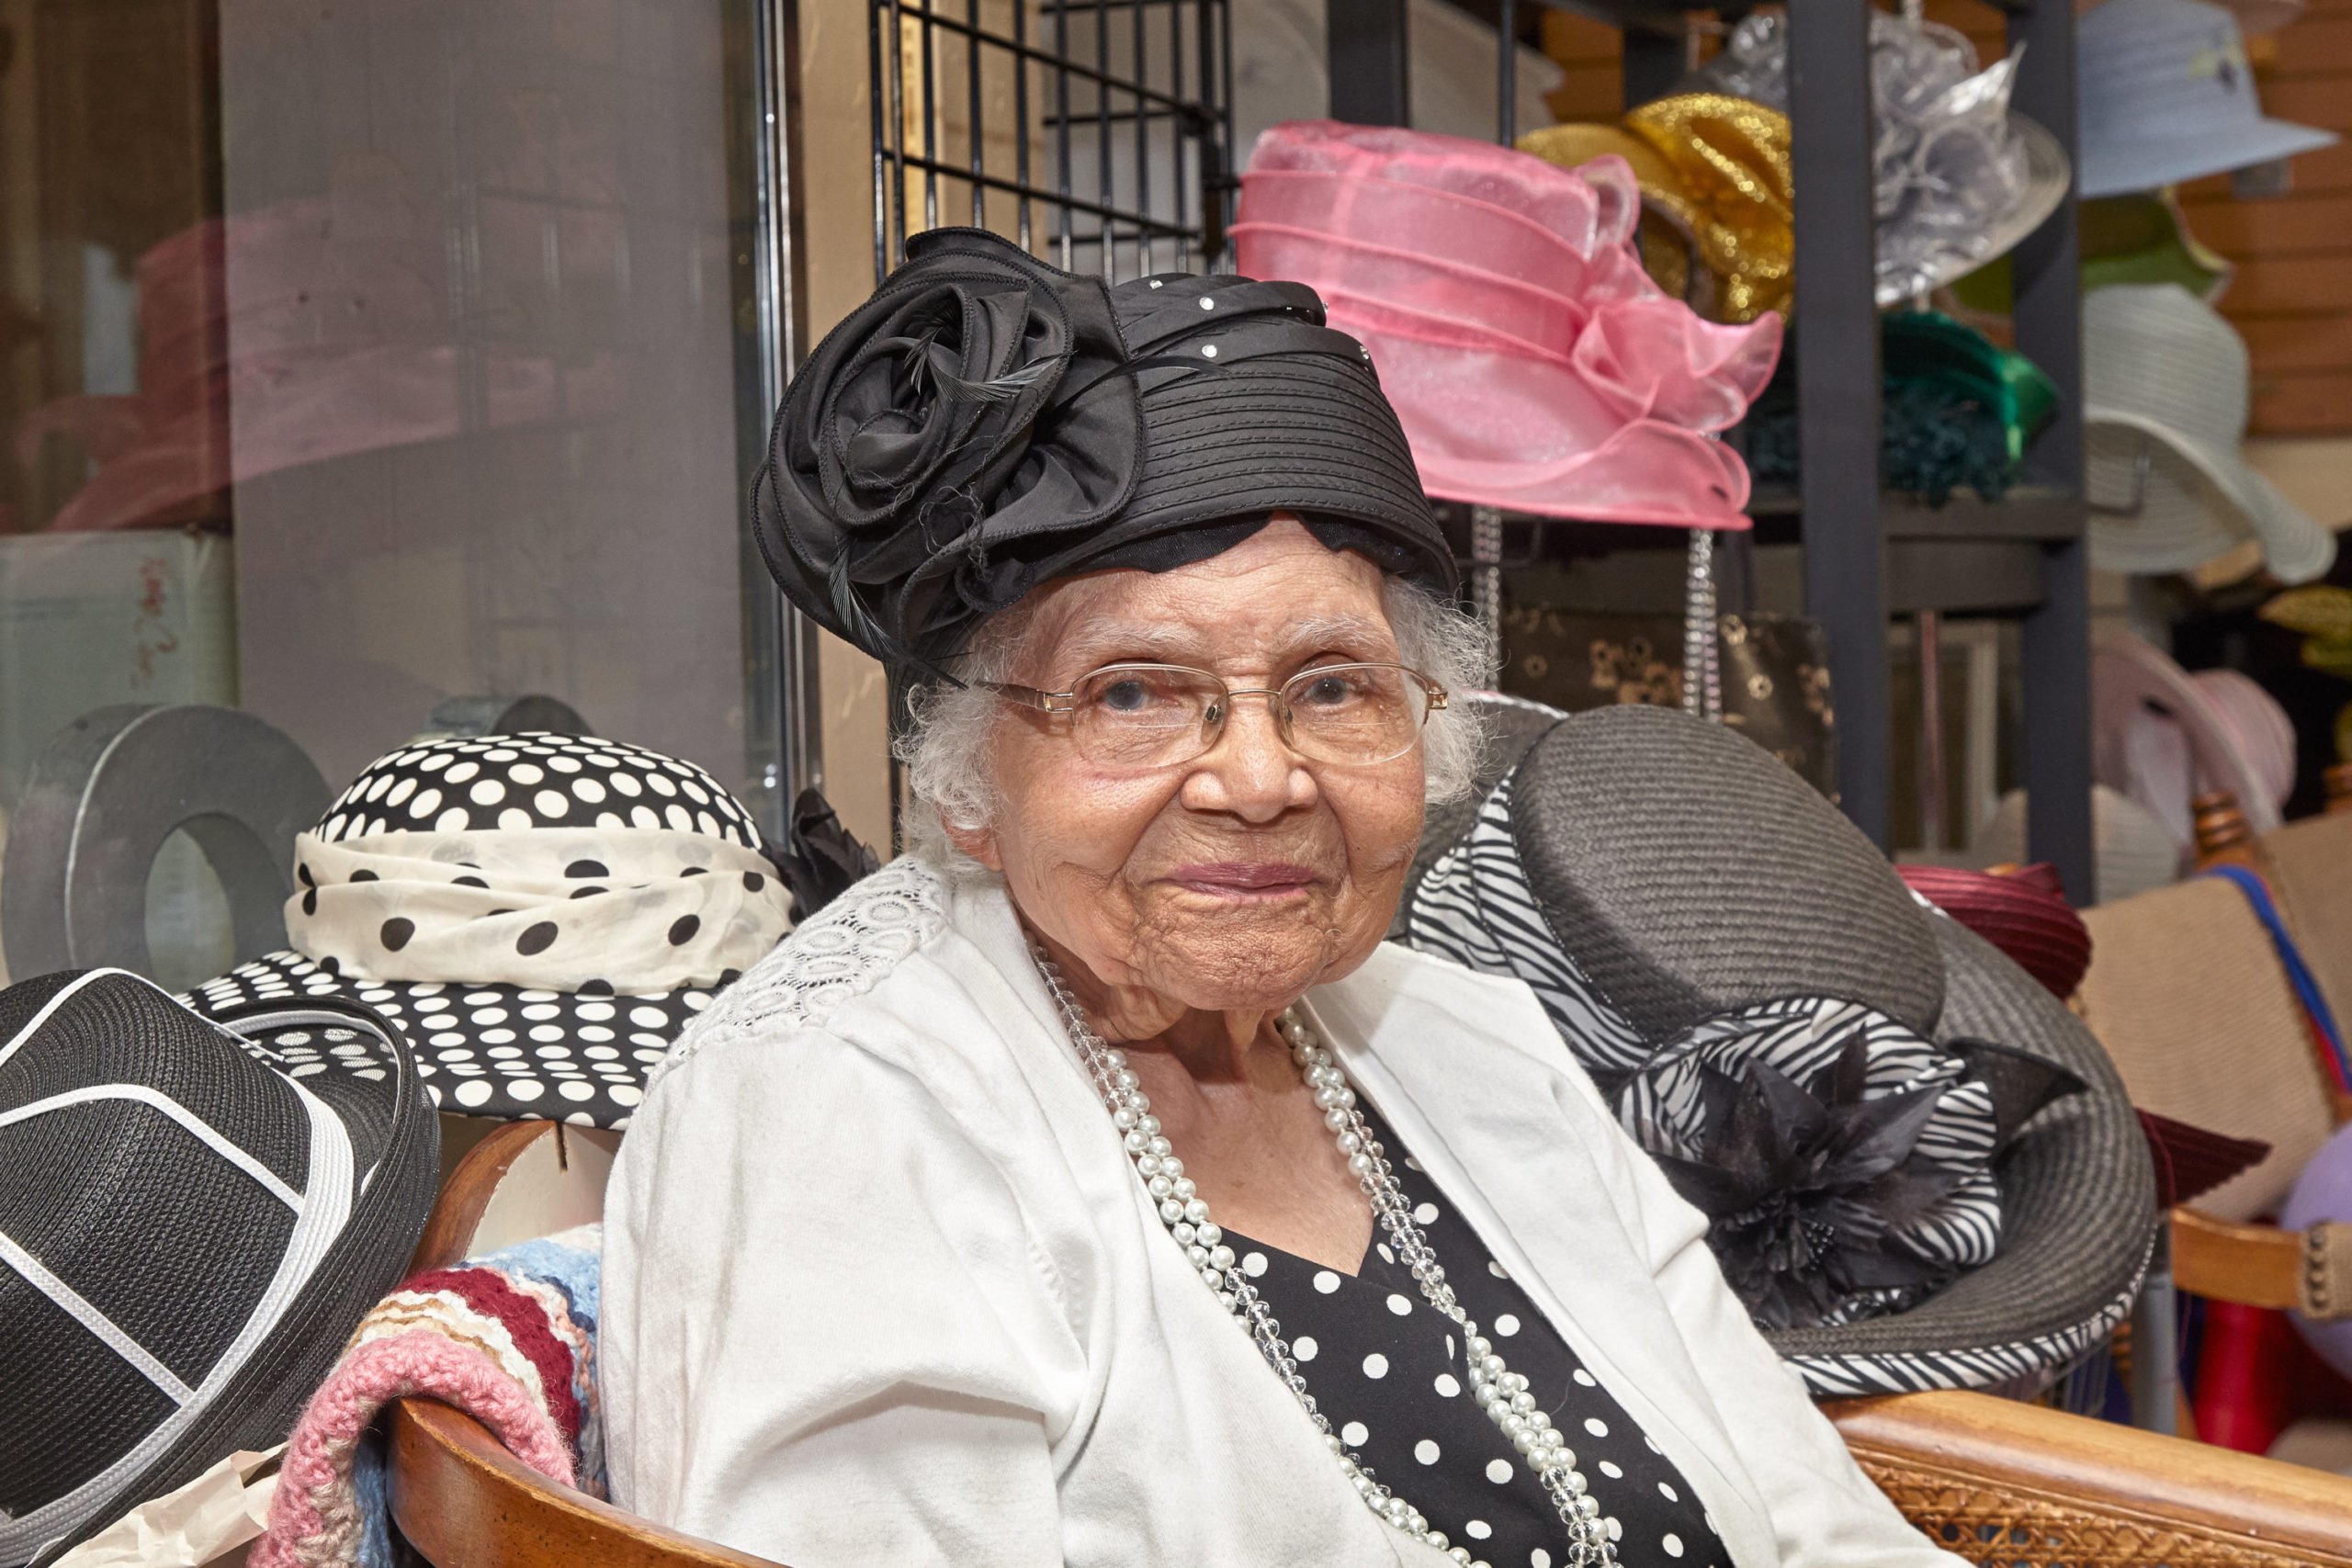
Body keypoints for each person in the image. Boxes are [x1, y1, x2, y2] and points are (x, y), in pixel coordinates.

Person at [600, 230, 1960, 1568]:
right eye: (1131, 693)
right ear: (966, 776)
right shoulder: (832, 1108)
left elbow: (1817, 1526)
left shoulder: (1473, 1040)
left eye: (1332, 686)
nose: (1259, 778)